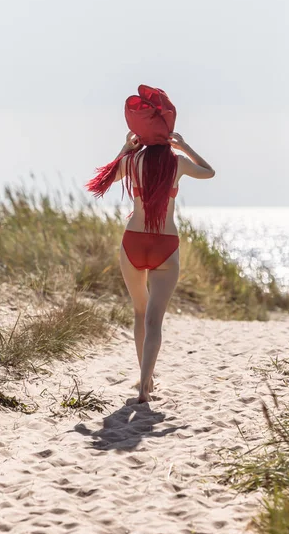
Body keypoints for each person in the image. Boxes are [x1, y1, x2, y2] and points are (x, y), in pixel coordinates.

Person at [86, 85, 215, 403]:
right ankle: (145, 384)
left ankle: (144, 377)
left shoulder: (132, 162)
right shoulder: (177, 163)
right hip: (165, 245)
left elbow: (105, 180)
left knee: (139, 311)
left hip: (133, 241)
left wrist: (124, 150)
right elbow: (209, 173)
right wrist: (184, 147)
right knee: (155, 318)